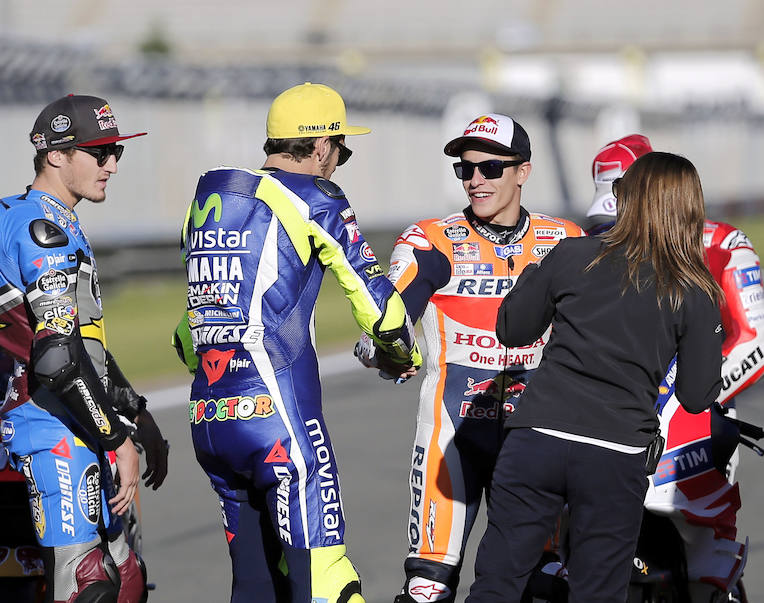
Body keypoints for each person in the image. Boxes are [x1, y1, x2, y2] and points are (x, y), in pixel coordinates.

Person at [171, 81, 422, 603]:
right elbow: (381, 307)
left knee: (257, 585)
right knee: (328, 583)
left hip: (210, 424)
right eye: (342, 150)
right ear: (323, 146)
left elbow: (187, 331)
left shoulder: (215, 203)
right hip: (278, 423)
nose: (339, 162)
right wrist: (402, 354)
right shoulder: (315, 196)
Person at [464, 151, 724, 603]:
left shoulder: (572, 254)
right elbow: (698, 395)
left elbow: (513, 329)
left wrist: (532, 274)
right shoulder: (693, 289)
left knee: (497, 585)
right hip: (615, 453)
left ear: (628, 201)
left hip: (537, 439)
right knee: (598, 593)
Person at [355, 113, 584, 602]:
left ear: (523, 171)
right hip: (451, 435)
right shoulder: (432, 238)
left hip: (536, 437)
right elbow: (391, 313)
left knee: (543, 581)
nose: (475, 180)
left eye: (491, 168)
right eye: (466, 169)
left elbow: (600, 331)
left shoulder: (566, 239)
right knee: (426, 587)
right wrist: (383, 345)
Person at [0, 94, 169, 603]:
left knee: (126, 581)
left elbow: (83, 343)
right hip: (52, 423)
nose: (112, 165)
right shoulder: (44, 231)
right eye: (99, 153)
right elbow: (56, 357)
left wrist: (136, 414)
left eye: (116, 151)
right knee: (88, 584)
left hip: (79, 416)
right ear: (55, 155)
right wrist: (116, 441)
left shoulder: (57, 220)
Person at [587, 134, 764, 599]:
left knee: (707, 562)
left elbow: (755, 338)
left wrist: (692, 398)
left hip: (697, 432)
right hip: (608, 424)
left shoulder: (724, 243)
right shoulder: (591, 244)